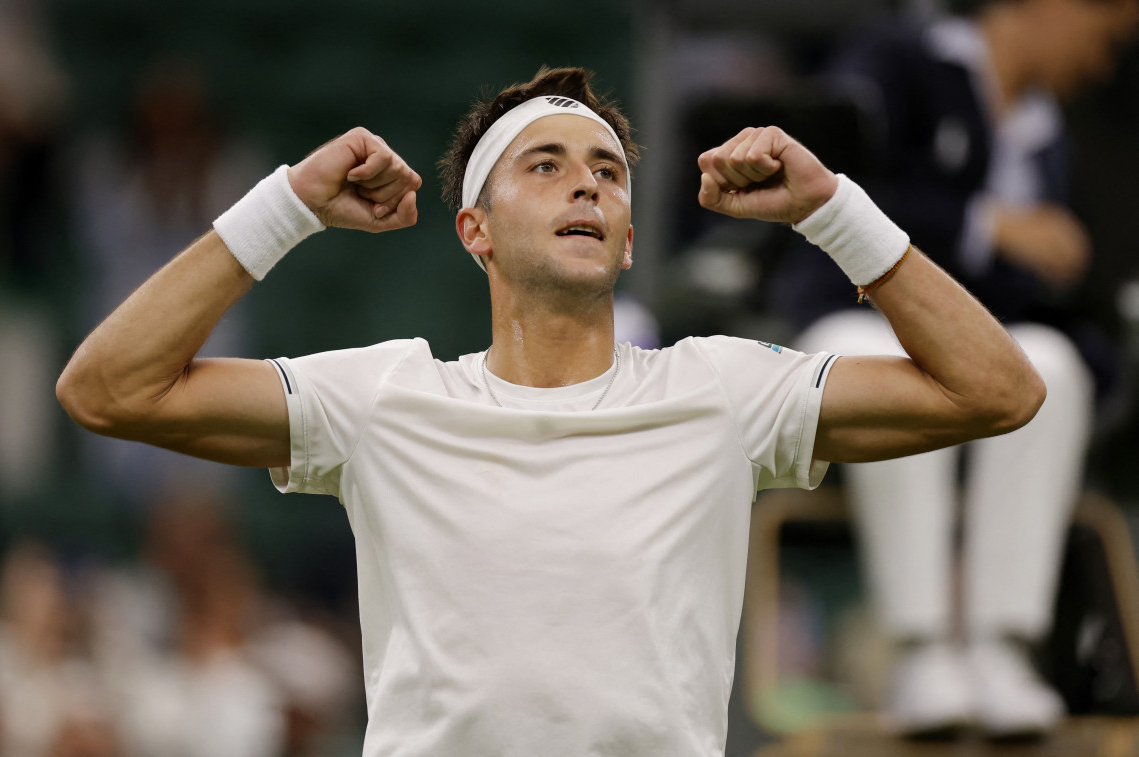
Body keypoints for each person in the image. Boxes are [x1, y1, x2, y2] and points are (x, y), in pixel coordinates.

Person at [56, 66, 1044, 756]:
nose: (586, 182)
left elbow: (997, 388)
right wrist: (288, 207)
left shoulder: (724, 391)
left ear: (622, 244)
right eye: (546, 164)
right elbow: (107, 388)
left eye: (606, 171)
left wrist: (835, 210)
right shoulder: (384, 397)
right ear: (473, 230)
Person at [767, 0, 1139, 739]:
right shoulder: (894, 62)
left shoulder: (1051, 132)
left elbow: (1033, 299)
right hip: (849, 320)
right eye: (1103, 36)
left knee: (1054, 366)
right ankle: (921, 646)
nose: (1101, 63)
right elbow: (829, 181)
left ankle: (1003, 646)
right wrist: (989, 223)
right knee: (876, 354)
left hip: (970, 351)